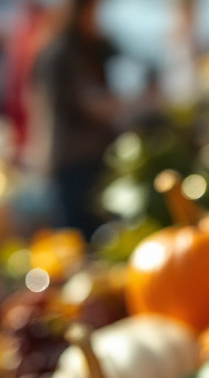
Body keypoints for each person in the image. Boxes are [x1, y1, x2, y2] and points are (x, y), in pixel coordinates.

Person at [34, 0, 130, 237]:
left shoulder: (95, 48)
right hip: (74, 162)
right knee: (80, 238)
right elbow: (88, 104)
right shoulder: (61, 54)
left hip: (98, 158)